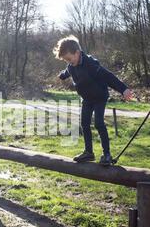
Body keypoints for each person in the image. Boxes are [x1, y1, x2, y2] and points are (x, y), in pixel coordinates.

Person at [53, 35, 134, 166]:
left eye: (69, 58)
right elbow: (67, 71)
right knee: (84, 123)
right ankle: (88, 152)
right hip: (86, 98)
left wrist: (123, 89)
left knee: (98, 123)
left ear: (77, 53)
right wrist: (62, 76)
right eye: (66, 60)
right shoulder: (71, 65)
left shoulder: (91, 64)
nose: (68, 62)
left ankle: (106, 154)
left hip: (99, 97)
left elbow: (108, 76)